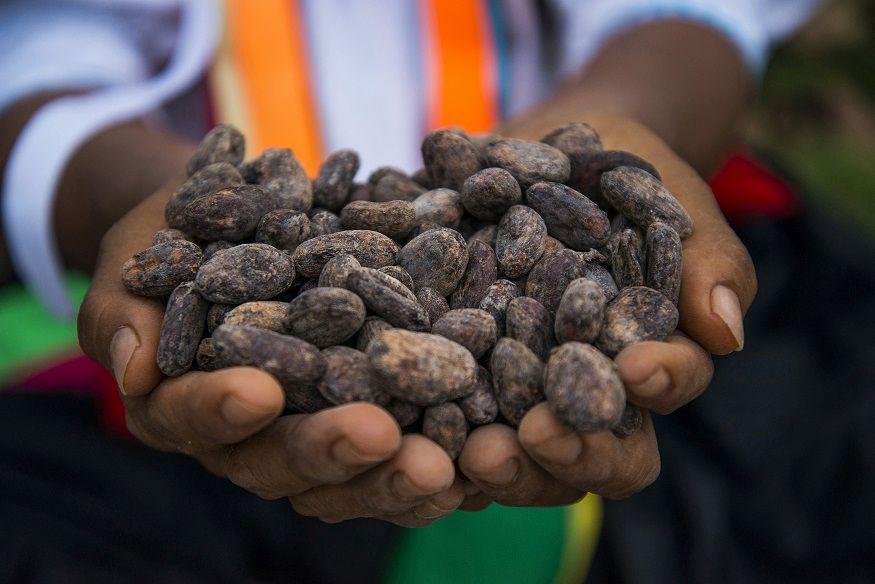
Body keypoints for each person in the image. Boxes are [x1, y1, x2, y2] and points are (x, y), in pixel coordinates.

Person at [2, 1, 850, 582]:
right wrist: (131, 194)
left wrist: (611, 128)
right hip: (114, 410)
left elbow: (688, 15)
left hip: (575, 152)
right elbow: (38, 53)